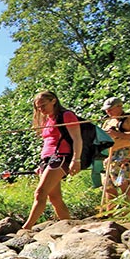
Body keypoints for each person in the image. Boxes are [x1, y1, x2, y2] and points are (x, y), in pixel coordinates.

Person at [21, 90, 82, 230]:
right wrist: (41, 166)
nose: (41, 109)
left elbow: (77, 138)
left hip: (61, 157)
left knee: (40, 192)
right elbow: (48, 143)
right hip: (47, 160)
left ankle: (26, 228)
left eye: (43, 105)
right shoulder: (48, 119)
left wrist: (76, 160)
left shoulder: (67, 115)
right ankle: (70, 228)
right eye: (38, 107)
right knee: (54, 198)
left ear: (53, 100)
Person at [100, 96, 130, 203]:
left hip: (125, 156)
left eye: (111, 109)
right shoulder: (108, 122)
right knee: (108, 185)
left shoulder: (129, 119)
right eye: (106, 109)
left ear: (120, 106)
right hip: (110, 157)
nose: (108, 111)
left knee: (122, 183)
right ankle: (111, 211)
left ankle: (128, 211)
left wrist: (118, 134)